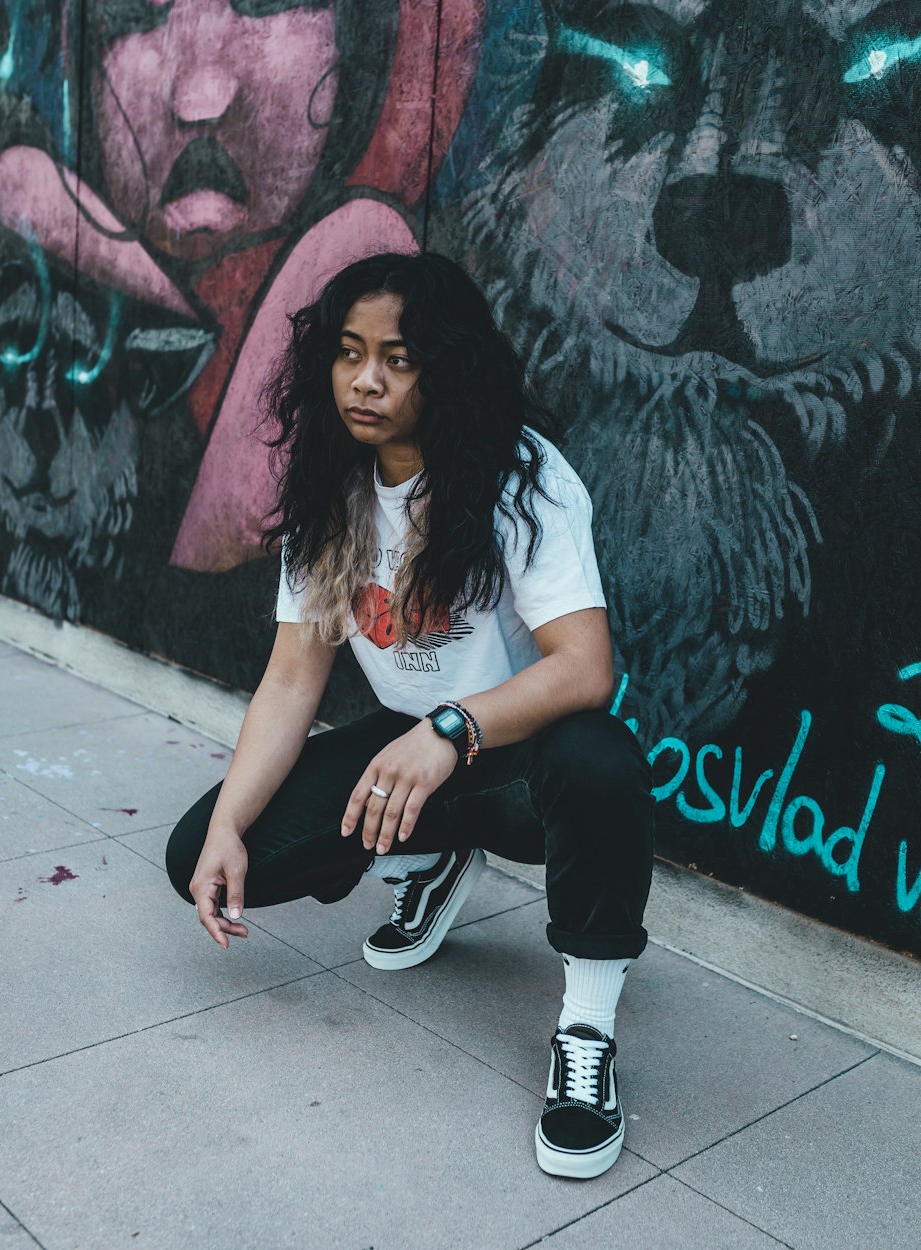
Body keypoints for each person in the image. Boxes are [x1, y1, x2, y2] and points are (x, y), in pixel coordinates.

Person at [165, 251, 654, 1179]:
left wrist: (452, 730)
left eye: (398, 357)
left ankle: (586, 1027)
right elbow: (290, 680)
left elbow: (587, 669)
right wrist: (231, 822)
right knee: (200, 857)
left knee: (599, 759)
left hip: (517, 761)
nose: (367, 380)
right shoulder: (331, 489)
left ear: (446, 367)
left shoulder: (523, 479)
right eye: (349, 354)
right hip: (415, 757)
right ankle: (432, 856)